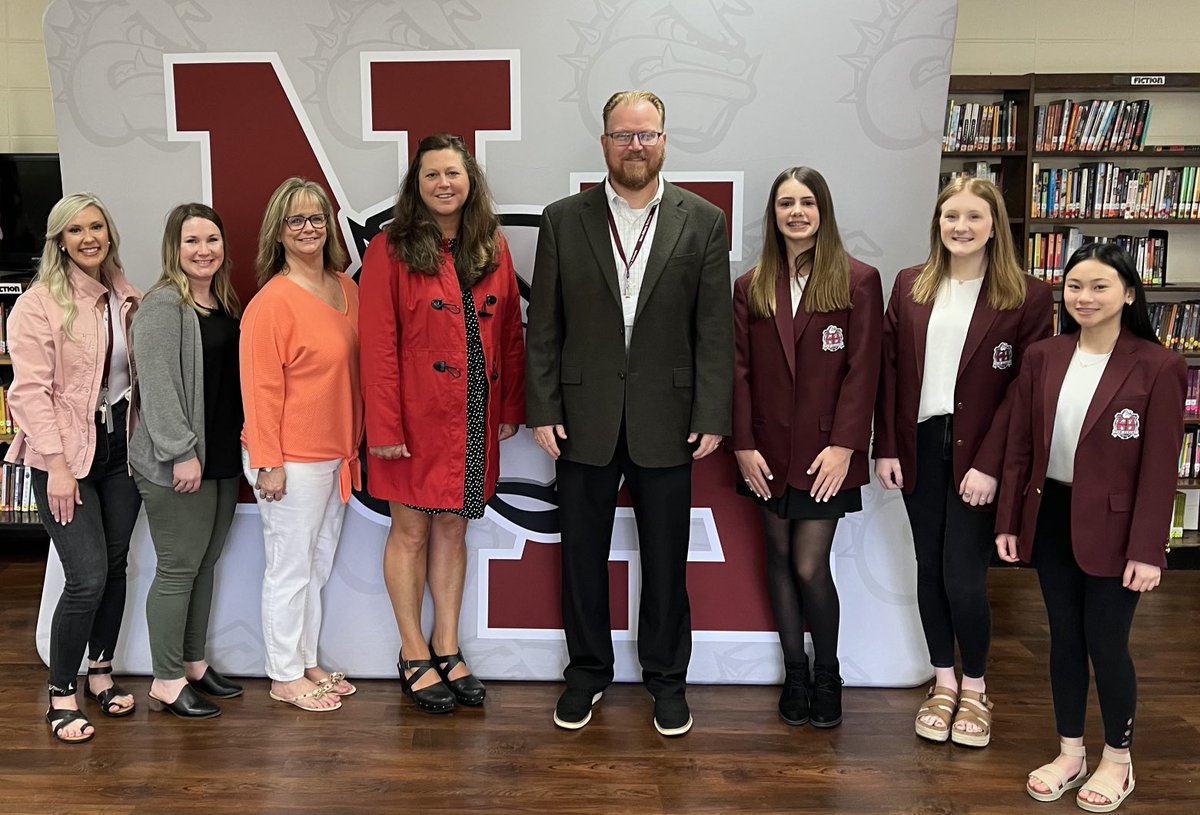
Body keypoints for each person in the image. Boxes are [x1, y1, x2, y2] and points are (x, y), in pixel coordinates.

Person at [526, 89, 733, 737]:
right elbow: (545, 328)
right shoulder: (564, 220)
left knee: (667, 560)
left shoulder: (703, 220)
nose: (635, 145)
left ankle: (667, 680)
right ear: (604, 143)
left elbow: (713, 329)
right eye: (623, 135)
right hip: (581, 415)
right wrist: (543, 408)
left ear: (664, 140)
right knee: (581, 556)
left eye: (646, 134)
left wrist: (712, 411)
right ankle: (587, 673)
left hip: (668, 417)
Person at [996, 242, 1184, 812]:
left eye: (1100, 286)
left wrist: (1148, 548)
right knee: (1064, 639)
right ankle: (1070, 752)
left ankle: (1118, 760)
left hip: (1118, 530)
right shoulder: (1044, 356)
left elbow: (1160, 468)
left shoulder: (1159, 366)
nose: (1085, 297)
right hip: (1052, 515)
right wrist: (1009, 521)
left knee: (1106, 642)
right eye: (1075, 286)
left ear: (1128, 293)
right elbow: (1020, 447)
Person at [873, 176, 1053, 747]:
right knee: (929, 569)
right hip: (920, 445)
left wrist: (992, 464)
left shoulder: (1027, 296)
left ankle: (975, 688)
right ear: (938, 223)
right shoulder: (911, 285)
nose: (961, 226)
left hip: (980, 452)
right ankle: (943, 683)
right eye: (951, 216)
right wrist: (886, 446)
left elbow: (1025, 390)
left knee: (964, 577)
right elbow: (888, 372)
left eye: (974, 216)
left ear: (994, 225)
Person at [359, 134, 525, 714]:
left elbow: (510, 332)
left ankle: (447, 646)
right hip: (413, 418)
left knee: (454, 528)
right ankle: (412, 652)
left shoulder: (492, 244)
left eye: (452, 173)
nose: (443, 184)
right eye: (431, 175)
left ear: (469, 180)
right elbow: (377, 345)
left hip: (475, 411)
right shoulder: (389, 248)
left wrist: (511, 408)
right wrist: (384, 427)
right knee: (410, 530)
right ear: (417, 185)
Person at [731, 167, 882, 729]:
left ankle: (828, 675)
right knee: (776, 559)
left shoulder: (858, 280)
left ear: (823, 211)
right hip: (766, 451)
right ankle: (795, 673)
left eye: (807, 202)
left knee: (809, 564)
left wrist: (845, 446)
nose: (796, 212)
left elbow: (864, 371)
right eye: (786, 203)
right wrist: (742, 444)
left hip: (826, 455)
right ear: (774, 215)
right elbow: (738, 373)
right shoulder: (751, 286)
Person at [5, 193, 141, 742]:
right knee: (85, 577)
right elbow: (28, 393)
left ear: (109, 233)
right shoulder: (37, 304)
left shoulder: (126, 295)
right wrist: (58, 467)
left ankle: (101, 672)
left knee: (115, 566)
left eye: (97, 227)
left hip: (119, 452)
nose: (89, 238)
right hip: (63, 457)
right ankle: (62, 692)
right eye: (76, 230)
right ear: (59, 241)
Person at [240, 177, 362, 712]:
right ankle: (284, 674)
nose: (309, 228)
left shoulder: (347, 288)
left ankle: (306, 659)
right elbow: (259, 390)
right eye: (296, 220)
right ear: (279, 231)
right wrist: (268, 462)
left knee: (317, 565)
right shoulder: (271, 303)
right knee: (289, 570)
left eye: (317, 218)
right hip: (290, 460)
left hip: (338, 455)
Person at [128, 203, 244, 719]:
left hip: (220, 458)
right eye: (191, 241)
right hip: (178, 462)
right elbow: (157, 390)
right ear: (173, 248)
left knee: (205, 564)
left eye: (212, 240)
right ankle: (166, 679)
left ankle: (193, 663)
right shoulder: (162, 306)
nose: (203, 250)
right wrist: (180, 453)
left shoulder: (223, 302)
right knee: (178, 569)